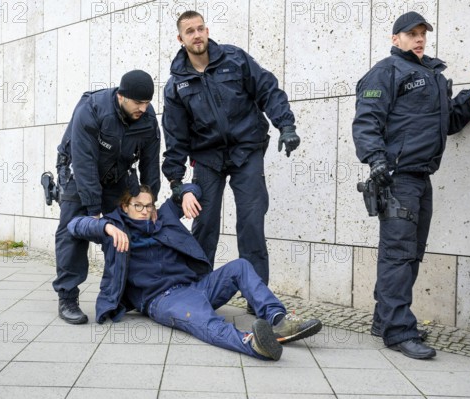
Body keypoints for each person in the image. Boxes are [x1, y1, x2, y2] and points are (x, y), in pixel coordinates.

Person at [67, 183, 322, 360]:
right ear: (125, 207)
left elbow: (192, 189)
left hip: (196, 285)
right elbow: (75, 225)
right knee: (202, 319)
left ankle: (279, 321)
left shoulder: (163, 215)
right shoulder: (115, 226)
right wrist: (106, 229)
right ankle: (254, 344)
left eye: (149, 205)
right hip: (162, 299)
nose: (146, 211)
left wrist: (187, 192)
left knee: (241, 266)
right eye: (138, 206)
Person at [352, 11, 470, 359]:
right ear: (397, 40)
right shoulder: (387, 71)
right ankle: (398, 331)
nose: (419, 38)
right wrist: (375, 159)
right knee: (398, 254)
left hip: (422, 178)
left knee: (411, 255)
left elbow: (448, 122)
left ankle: (384, 319)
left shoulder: (433, 75)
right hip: (397, 177)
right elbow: (366, 120)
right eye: (411, 34)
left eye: (423, 33)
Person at [161, 11, 301, 300]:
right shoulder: (176, 84)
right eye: (190, 31)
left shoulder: (234, 60)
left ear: (207, 30)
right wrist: (176, 180)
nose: (197, 35)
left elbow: (267, 90)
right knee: (205, 223)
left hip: (246, 151)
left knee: (251, 222)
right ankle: (199, 291)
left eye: (200, 28)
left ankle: (256, 295)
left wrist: (285, 125)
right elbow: (175, 135)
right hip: (207, 158)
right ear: (180, 39)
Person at [53, 70, 161, 325]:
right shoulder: (91, 110)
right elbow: (84, 162)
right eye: (137, 103)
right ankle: (67, 296)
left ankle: (118, 295)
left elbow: (150, 163)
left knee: (124, 230)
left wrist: (150, 201)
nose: (143, 109)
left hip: (116, 177)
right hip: (78, 175)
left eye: (146, 103)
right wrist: (93, 210)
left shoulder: (147, 118)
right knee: (72, 234)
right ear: (121, 96)